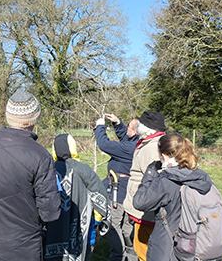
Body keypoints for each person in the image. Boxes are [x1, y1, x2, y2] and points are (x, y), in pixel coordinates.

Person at [0, 89, 61, 261]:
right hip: (24, 251)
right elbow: (50, 212)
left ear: (9, 116)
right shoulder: (41, 156)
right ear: (35, 117)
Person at [132, 134, 213, 261]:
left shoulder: (166, 180)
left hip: (167, 245)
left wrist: (150, 174)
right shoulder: (201, 177)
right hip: (197, 242)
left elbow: (139, 202)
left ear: (163, 155)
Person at [44, 134, 111, 261]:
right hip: (81, 229)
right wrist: (97, 222)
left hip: (53, 231)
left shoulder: (48, 169)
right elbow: (99, 197)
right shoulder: (84, 169)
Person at [94, 114, 139, 261]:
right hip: (127, 189)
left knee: (113, 224)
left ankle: (118, 255)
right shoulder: (136, 143)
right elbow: (126, 137)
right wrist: (118, 123)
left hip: (119, 192)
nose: (126, 128)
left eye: (129, 127)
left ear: (136, 131)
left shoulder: (130, 148)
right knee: (127, 226)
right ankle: (129, 255)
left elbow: (104, 144)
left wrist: (100, 127)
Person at [123, 111, 166, 261]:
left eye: (140, 123)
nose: (138, 125)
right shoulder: (149, 142)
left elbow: (155, 181)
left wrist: (145, 206)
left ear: (146, 127)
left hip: (146, 211)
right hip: (142, 207)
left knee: (145, 251)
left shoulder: (153, 147)